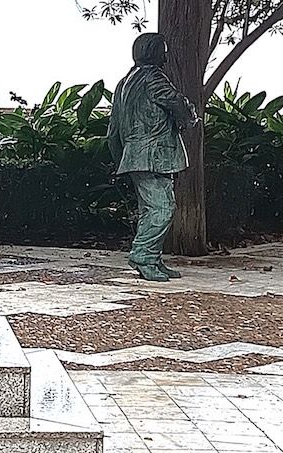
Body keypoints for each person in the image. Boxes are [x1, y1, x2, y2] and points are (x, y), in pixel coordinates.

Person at [108, 32, 199, 282]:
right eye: (164, 50)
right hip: (154, 155)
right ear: (155, 53)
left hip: (135, 156)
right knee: (163, 208)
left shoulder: (124, 83)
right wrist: (189, 118)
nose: (167, 56)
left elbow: (112, 130)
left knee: (151, 209)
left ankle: (153, 257)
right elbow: (176, 101)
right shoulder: (153, 77)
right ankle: (143, 256)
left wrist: (123, 158)